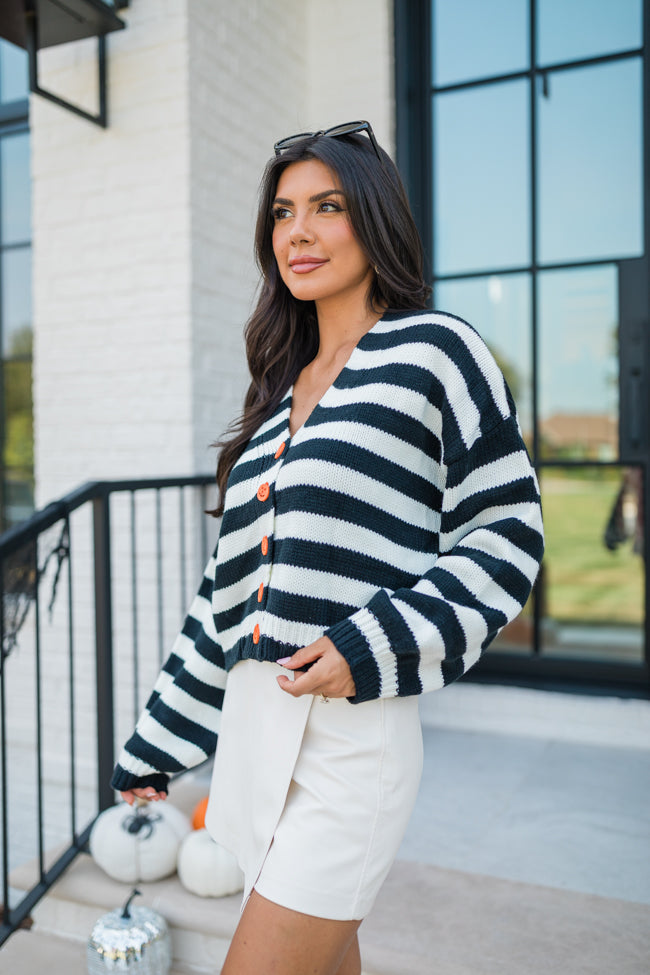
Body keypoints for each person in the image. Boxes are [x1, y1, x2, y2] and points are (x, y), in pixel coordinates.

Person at [111, 120, 544, 975]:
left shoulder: (437, 351)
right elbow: (224, 601)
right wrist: (160, 739)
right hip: (254, 737)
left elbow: (507, 536)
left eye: (327, 207)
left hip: (353, 745)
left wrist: (367, 642)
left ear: (374, 217)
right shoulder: (278, 397)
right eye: (281, 213)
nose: (297, 233)